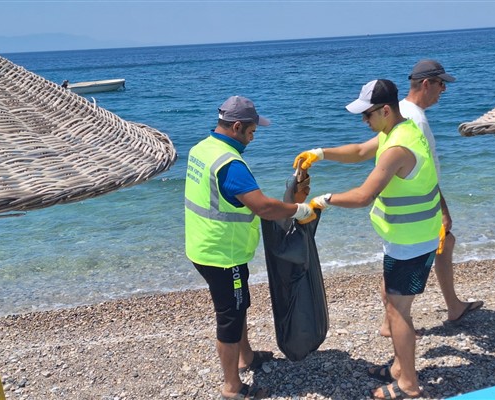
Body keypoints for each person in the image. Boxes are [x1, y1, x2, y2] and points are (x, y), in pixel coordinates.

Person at [294, 79, 441, 399]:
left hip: (411, 241)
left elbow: (363, 195)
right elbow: (360, 151)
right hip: (408, 237)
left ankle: (408, 384)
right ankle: (401, 367)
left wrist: (322, 200)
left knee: (398, 310)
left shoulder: (399, 148)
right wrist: (319, 153)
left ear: (385, 110)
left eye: (367, 115)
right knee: (391, 299)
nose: (364, 121)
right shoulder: (396, 131)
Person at [185, 95, 316, 400]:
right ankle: (232, 387)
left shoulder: (201, 149)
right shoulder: (230, 164)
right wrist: (299, 210)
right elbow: (263, 207)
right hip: (222, 254)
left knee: (239, 303)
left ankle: (247, 357)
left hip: (202, 245)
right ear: (238, 126)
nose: (253, 138)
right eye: (252, 132)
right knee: (230, 316)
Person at [394, 59, 483, 329]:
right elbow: (424, 171)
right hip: (417, 202)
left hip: (405, 201)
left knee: (437, 246)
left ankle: (453, 306)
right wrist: (443, 209)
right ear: (425, 83)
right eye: (441, 84)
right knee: (408, 260)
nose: (443, 89)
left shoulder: (400, 110)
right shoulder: (415, 119)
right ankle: (396, 321)